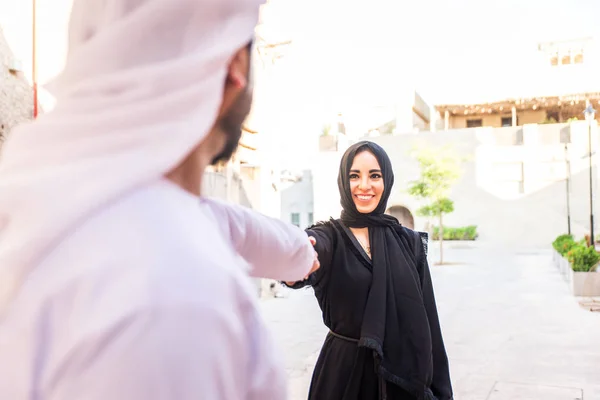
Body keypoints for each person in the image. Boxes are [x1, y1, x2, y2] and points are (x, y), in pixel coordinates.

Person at [0, 1, 319, 399]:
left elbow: (229, 225)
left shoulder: (54, 205)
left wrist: (298, 251)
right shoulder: (173, 286)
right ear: (235, 65)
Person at [284, 141, 453, 400]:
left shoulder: (408, 243)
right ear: (343, 181)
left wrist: (441, 392)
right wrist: (298, 256)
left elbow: (429, 322)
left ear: (386, 181)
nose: (364, 185)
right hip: (344, 377)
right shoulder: (330, 237)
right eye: (354, 176)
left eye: (374, 175)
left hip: (401, 381)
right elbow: (308, 255)